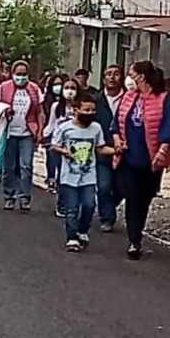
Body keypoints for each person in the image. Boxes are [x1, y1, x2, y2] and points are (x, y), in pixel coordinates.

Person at [111, 61, 170, 260]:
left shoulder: (163, 99)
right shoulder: (128, 97)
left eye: (132, 74)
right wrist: (117, 140)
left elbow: (169, 127)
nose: (129, 78)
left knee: (144, 199)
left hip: (151, 160)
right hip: (129, 157)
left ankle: (138, 232)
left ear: (142, 76)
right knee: (131, 197)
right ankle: (134, 240)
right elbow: (115, 123)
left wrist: (163, 151)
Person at [52, 91, 113, 252]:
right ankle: (72, 238)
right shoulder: (65, 128)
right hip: (69, 176)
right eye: (86, 110)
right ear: (76, 109)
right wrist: (65, 152)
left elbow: (100, 148)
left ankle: (82, 230)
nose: (90, 113)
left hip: (88, 175)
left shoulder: (96, 128)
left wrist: (116, 151)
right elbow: (54, 145)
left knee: (89, 205)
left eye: (93, 110)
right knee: (71, 209)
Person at [0, 61, 45, 212]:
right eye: (18, 74)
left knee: (26, 165)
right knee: (9, 167)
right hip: (8, 133)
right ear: (12, 73)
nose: (21, 77)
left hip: (27, 133)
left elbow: (40, 111)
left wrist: (40, 130)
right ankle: (9, 196)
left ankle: (24, 197)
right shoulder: (3, 88)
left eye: (24, 74)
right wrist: (2, 110)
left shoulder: (34, 89)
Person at [95, 64, 125, 232]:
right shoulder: (96, 100)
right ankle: (107, 218)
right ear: (103, 78)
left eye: (116, 74)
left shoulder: (130, 99)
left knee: (121, 188)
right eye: (109, 74)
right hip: (102, 150)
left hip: (124, 151)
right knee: (104, 185)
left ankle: (108, 206)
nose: (112, 77)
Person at [43, 78, 78, 200]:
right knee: (60, 172)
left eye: (73, 88)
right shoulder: (56, 106)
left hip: (75, 144)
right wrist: (44, 136)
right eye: (67, 88)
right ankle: (61, 200)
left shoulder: (80, 106)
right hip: (59, 144)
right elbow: (52, 124)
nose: (70, 91)